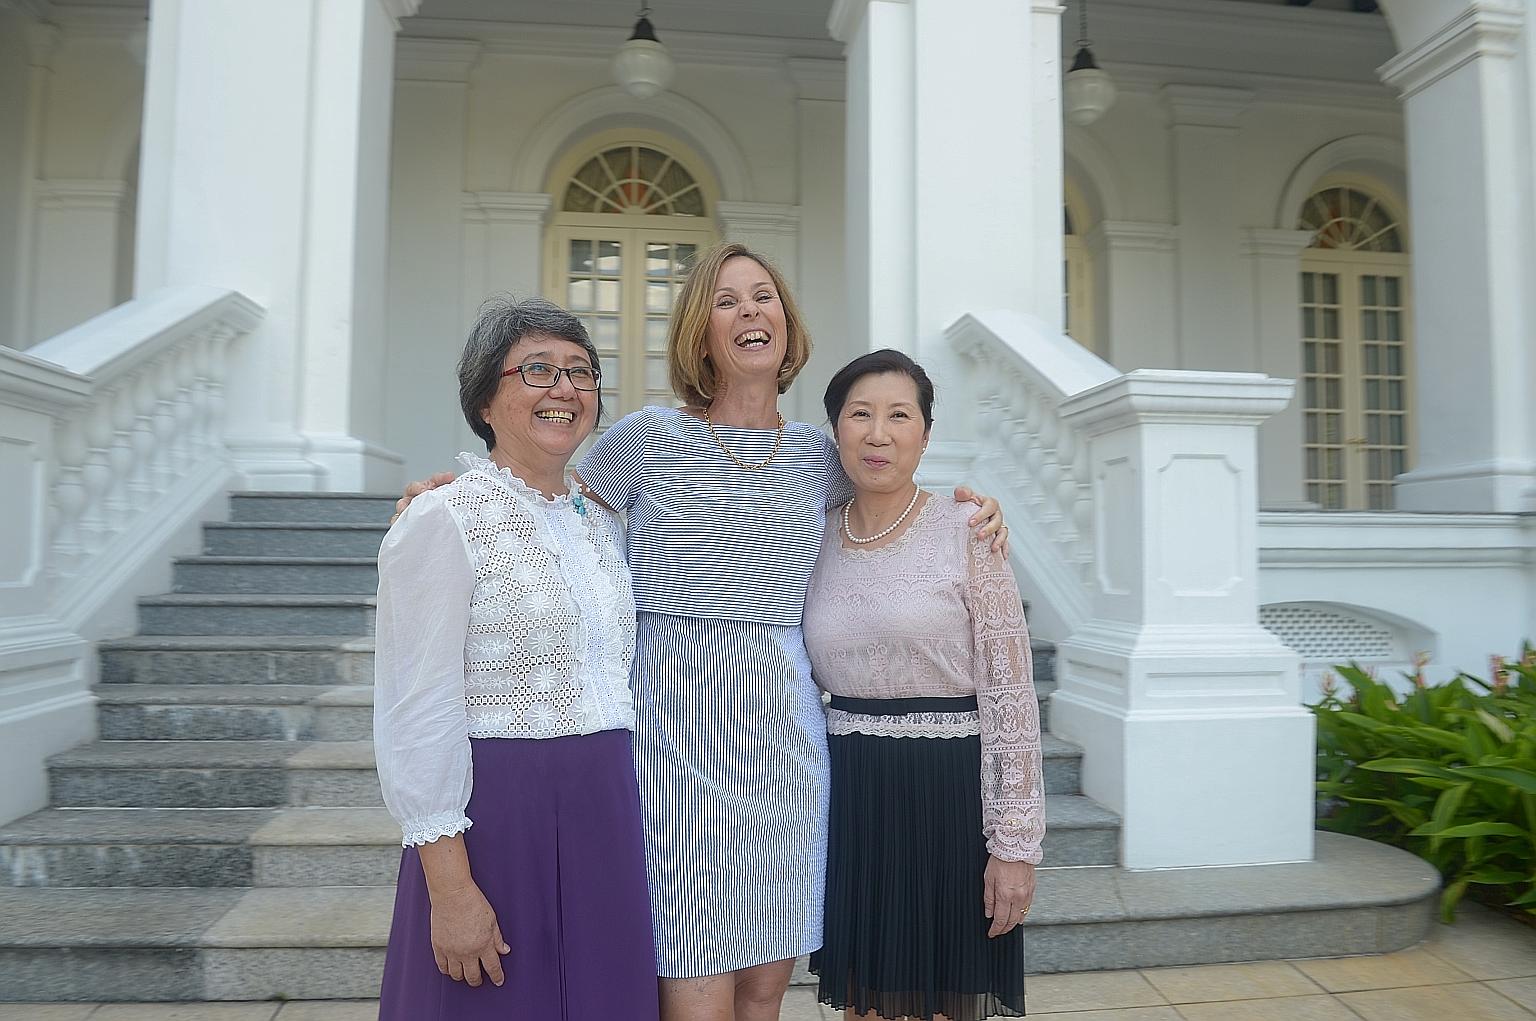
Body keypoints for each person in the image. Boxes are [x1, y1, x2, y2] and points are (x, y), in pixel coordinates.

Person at [395, 242, 1007, 1021]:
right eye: (727, 300)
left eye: (764, 296)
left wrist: (977, 508)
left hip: (785, 750)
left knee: (762, 994)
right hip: (673, 747)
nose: (751, 311)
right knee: (694, 988)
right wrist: (447, 492)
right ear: (699, 331)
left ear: (785, 321)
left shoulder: (821, 459)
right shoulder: (645, 441)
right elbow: (544, 502)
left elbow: (895, 496)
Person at [372, 297, 657, 1020]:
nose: (564, 389)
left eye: (581, 373)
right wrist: (451, 887)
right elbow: (419, 707)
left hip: (606, 814)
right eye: (538, 370)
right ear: (486, 397)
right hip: (497, 819)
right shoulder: (444, 517)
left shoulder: (603, 523)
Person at [804, 349, 1043, 1021]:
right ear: (836, 430)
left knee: (939, 1008)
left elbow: (1011, 697)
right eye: (860, 415)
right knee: (866, 1008)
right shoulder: (814, 537)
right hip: (853, 802)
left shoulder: (968, 530)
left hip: (947, 804)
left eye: (898, 415)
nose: (878, 433)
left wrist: (1015, 846)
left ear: (925, 434)